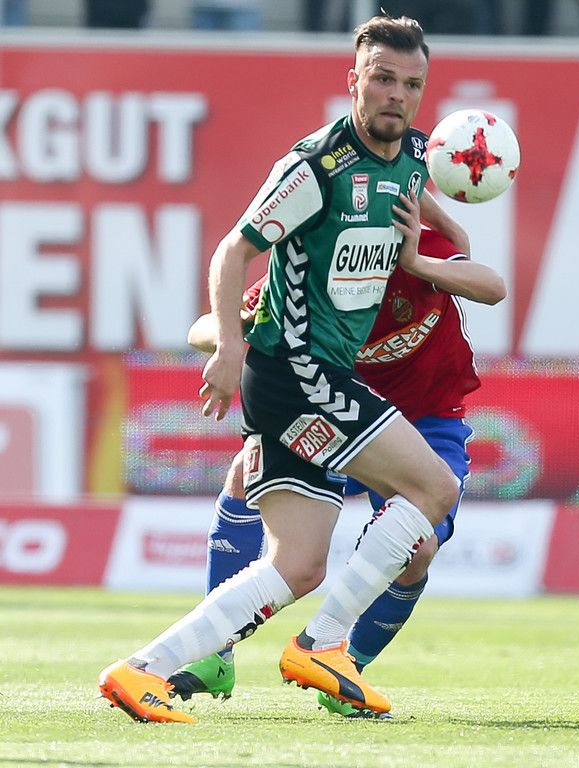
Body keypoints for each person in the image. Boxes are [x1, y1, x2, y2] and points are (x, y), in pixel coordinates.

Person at [98, 13, 476, 724]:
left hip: (306, 381)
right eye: (383, 79)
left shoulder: (412, 153)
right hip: (300, 373)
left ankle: (141, 671)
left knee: (296, 565)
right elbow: (233, 251)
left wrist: (449, 230)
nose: (396, 95)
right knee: (434, 486)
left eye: (411, 84)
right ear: (353, 81)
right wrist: (229, 349)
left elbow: (424, 196)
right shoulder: (316, 168)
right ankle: (324, 644)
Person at [168, 223, 505, 716]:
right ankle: (215, 654)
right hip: (342, 414)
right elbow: (201, 328)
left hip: (427, 420)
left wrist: (418, 263)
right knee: (243, 476)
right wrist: (233, 333)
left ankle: (347, 667)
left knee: (418, 551)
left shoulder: (417, 246)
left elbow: (493, 288)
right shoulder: (321, 265)